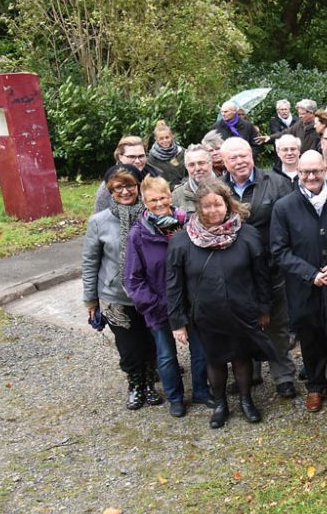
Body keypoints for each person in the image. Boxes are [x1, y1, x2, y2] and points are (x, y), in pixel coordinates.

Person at [167, 180, 277, 428]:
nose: (213, 210)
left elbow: (262, 275)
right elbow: (174, 285)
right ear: (198, 208)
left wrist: (264, 307)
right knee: (214, 361)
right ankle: (220, 405)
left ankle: (247, 401)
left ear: (227, 205)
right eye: (207, 206)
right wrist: (178, 322)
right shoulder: (182, 242)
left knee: (241, 358)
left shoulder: (247, 235)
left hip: (241, 312)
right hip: (206, 316)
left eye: (218, 204)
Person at [271, 150, 327, 412]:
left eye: (316, 171)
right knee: (310, 336)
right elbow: (278, 250)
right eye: (305, 171)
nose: (311, 176)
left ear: (324, 170)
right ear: (297, 170)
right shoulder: (284, 206)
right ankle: (315, 386)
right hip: (303, 286)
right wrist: (311, 274)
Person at [124, 176, 212, 417]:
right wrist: (157, 304)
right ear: (144, 201)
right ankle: (175, 398)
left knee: (200, 350)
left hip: (190, 302)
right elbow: (133, 279)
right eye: (153, 199)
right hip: (159, 305)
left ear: (170, 196)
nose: (159, 203)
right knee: (165, 355)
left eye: (163, 197)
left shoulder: (186, 223)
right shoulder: (139, 234)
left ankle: (202, 390)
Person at [219, 137, 298, 399]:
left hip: (271, 267)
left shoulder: (276, 183)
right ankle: (250, 372)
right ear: (224, 162)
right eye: (233, 157)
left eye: (243, 155)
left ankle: (283, 374)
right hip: (236, 273)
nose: (240, 161)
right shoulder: (218, 189)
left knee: (276, 324)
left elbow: (290, 224)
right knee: (244, 324)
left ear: (252, 155)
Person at [82, 164, 161, 410]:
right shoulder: (99, 222)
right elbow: (90, 262)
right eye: (118, 188)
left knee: (150, 342)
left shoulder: (154, 215)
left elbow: (177, 240)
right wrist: (90, 300)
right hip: (115, 296)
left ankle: (149, 384)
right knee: (128, 346)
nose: (125, 192)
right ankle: (135, 384)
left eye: (129, 186)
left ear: (138, 187)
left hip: (150, 294)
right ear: (110, 191)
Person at [93, 136, 163, 213]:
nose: (137, 161)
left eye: (141, 156)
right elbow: (101, 216)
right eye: (131, 157)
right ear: (120, 157)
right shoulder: (110, 183)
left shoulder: (156, 177)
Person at [172, 145, 215, 215]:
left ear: (211, 163)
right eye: (191, 165)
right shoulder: (177, 195)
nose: (197, 168)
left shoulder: (227, 188)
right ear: (186, 167)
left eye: (201, 163)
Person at [147, 120, 187, 188]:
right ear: (156, 139)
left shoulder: (181, 152)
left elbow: (189, 171)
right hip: (164, 192)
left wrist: (185, 184)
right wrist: (172, 186)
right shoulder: (152, 158)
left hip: (183, 189)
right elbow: (153, 180)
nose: (165, 141)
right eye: (161, 138)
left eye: (167, 137)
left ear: (171, 136)